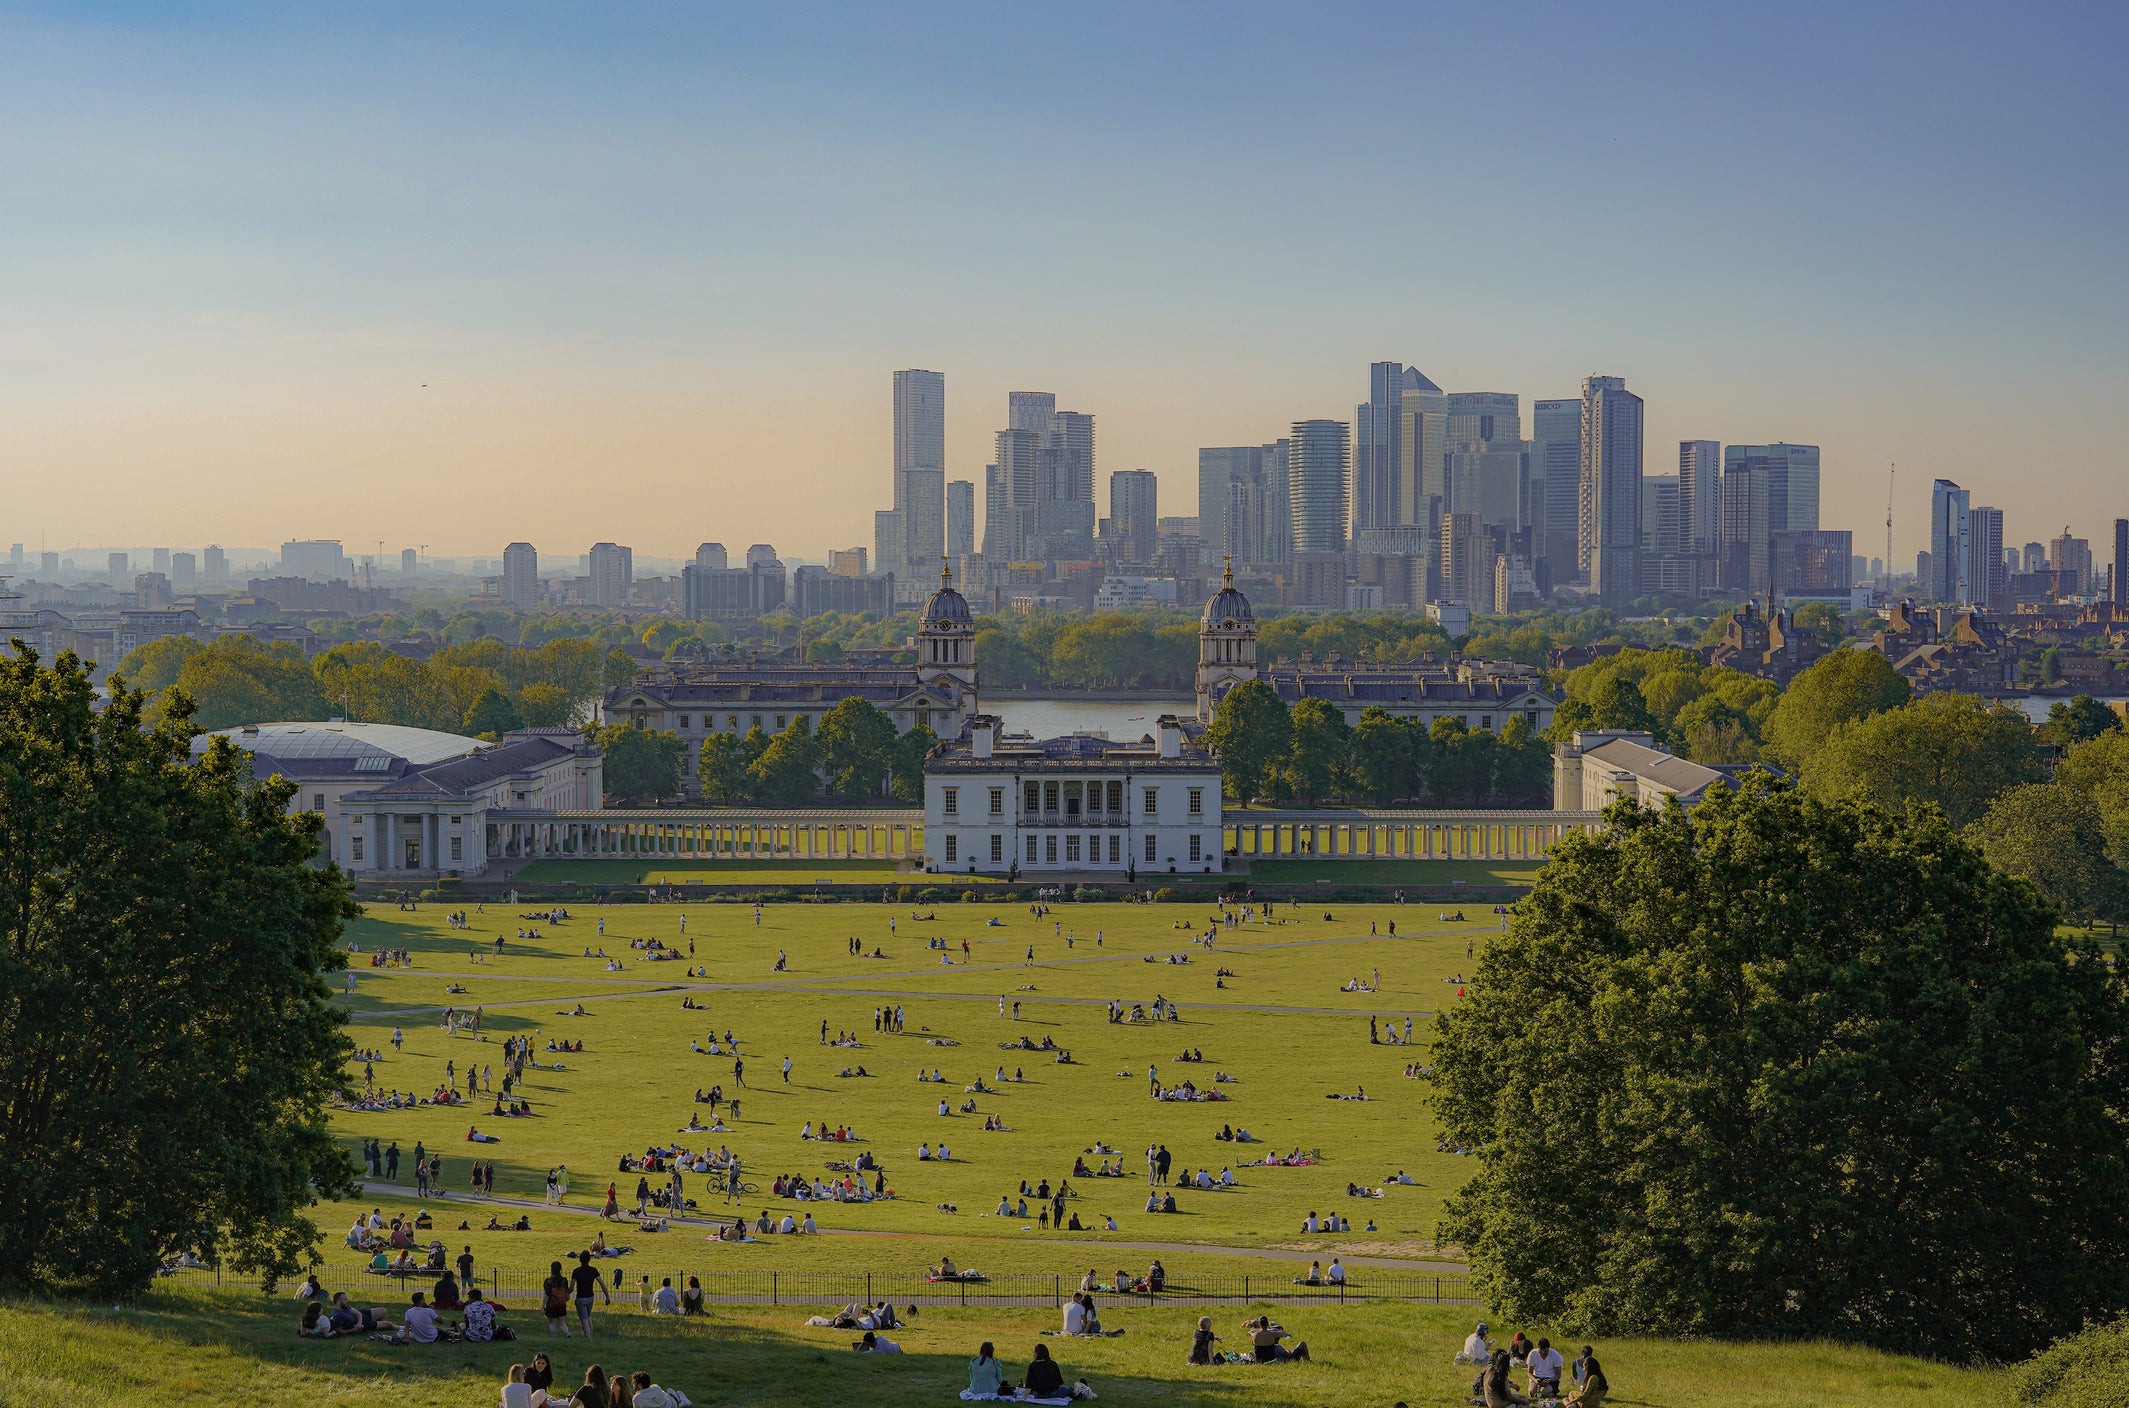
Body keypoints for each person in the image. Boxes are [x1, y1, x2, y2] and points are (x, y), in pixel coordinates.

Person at [571, 1250, 609, 1338]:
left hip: (581, 1298)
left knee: (584, 1319)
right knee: (588, 1316)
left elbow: (571, 1287)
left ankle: (588, 1338)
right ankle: (590, 1334)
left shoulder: (576, 1271)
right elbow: (602, 1284)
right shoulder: (593, 1270)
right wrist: (607, 1296)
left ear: (580, 1260)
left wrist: (566, 1294)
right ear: (589, 1260)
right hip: (590, 1297)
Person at [543, 1261, 574, 1337]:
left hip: (551, 1304)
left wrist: (543, 1305)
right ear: (560, 1269)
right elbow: (566, 1292)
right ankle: (567, 1333)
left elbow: (547, 1294)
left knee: (551, 1323)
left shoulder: (548, 1281)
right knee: (562, 1323)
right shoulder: (564, 1280)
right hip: (561, 1304)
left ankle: (554, 1337)